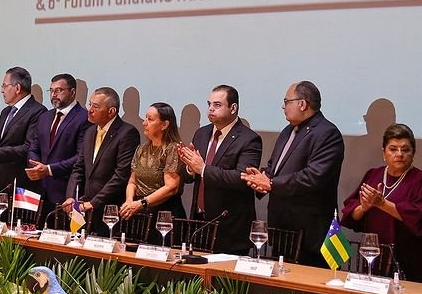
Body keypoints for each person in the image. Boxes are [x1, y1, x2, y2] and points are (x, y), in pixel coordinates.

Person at [242, 81, 344, 267]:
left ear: (302, 104)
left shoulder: (327, 133)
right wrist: (260, 177)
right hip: (283, 229)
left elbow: (314, 177)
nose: (283, 106)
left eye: (287, 101)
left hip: (310, 233)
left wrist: (271, 183)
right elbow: (274, 167)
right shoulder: (287, 131)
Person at [341, 123, 422, 281]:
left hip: (407, 259)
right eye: (393, 149)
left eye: (405, 149)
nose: (399, 154)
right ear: (384, 153)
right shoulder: (373, 175)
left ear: (413, 153)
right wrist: (364, 207)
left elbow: (421, 219)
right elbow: (352, 216)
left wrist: (382, 204)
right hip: (374, 256)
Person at [178, 85, 263, 255]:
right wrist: (190, 168)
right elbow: (188, 176)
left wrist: (202, 169)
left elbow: (241, 179)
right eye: (209, 104)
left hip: (229, 227)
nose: (210, 109)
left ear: (233, 108)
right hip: (199, 223)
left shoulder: (249, 139)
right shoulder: (201, 134)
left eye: (217, 105)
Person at [63, 87, 139, 236]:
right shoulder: (90, 132)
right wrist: (71, 197)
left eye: (96, 107)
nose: (90, 110)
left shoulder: (127, 133)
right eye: (90, 104)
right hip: (83, 208)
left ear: (111, 111)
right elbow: (79, 168)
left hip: (109, 210)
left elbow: (121, 175)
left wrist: (94, 203)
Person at [26, 74, 91, 225]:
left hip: (66, 193)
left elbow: (80, 156)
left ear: (72, 92)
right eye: (51, 90)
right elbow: (33, 147)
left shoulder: (84, 118)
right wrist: (35, 166)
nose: (54, 95)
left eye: (59, 90)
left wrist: (49, 169)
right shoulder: (45, 117)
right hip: (40, 191)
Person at [0, 66, 47, 195]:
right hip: (0, 184)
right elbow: (3, 143)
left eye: (5, 86)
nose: (2, 90)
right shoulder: (6, 111)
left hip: (22, 185)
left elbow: (29, 148)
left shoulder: (38, 111)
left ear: (17, 88)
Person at [121, 103, 187, 244]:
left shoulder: (172, 149)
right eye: (145, 118)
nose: (144, 123)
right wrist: (129, 201)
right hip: (139, 211)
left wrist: (142, 203)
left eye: (150, 119)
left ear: (164, 125)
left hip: (164, 214)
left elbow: (171, 187)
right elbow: (132, 181)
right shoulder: (141, 149)